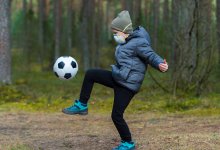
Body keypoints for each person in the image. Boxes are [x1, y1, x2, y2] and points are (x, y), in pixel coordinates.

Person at [62, 10, 168, 150]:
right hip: (118, 77)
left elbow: (151, 55)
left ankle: (128, 143)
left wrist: (160, 63)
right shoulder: (125, 42)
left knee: (116, 116)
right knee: (90, 74)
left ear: (125, 31)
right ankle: (82, 105)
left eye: (116, 32)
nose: (115, 36)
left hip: (128, 86)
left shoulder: (139, 42)